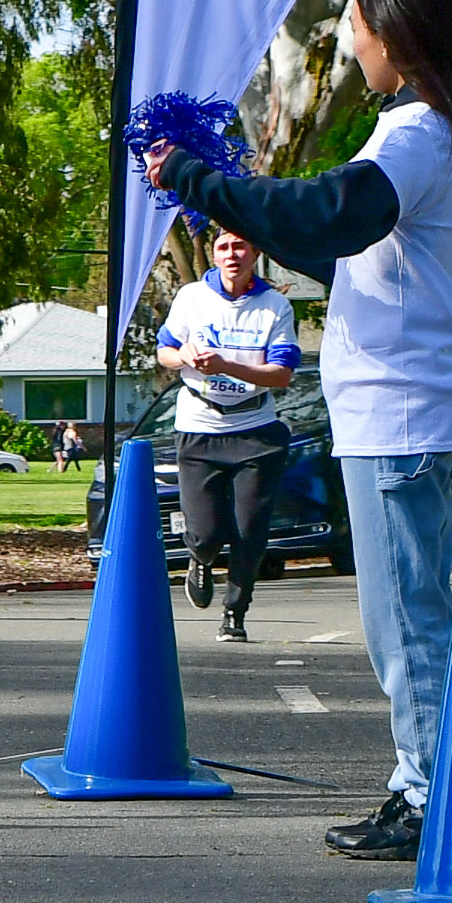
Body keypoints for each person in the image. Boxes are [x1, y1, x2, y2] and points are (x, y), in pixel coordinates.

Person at [150, 0, 452, 862]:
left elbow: (332, 211)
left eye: (357, 26)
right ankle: (435, 782)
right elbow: (352, 251)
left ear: (394, 38)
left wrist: (202, 181)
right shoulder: (430, 129)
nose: (349, 42)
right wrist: (245, 200)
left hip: (399, 410)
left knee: (404, 617)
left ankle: (432, 793)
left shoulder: (412, 130)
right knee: (406, 612)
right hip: (407, 404)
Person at [154, 226, 300, 643]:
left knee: (250, 529)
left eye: (240, 246)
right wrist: (183, 356)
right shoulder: (192, 297)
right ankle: (199, 558)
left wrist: (226, 366)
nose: (231, 253)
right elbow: (165, 351)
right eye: (223, 246)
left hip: (255, 430)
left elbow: (282, 374)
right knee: (205, 530)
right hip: (200, 427)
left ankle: (235, 612)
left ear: (255, 253)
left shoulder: (274, 307)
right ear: (214, 255)